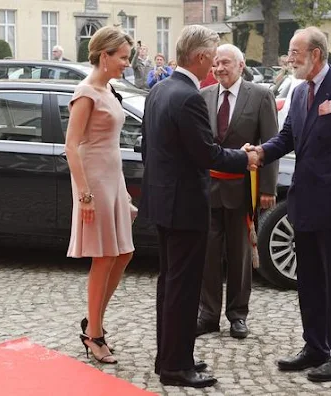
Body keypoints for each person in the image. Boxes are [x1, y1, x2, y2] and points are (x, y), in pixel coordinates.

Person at [139, 25, 258, 388]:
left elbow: (148, 148)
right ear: (202, 57)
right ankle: (176, 367)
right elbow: (207, 153)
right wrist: (246, 157)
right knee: (183, 287)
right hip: (185, 205)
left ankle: (170, 356)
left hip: (162, 201)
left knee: (169, 284)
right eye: (213, 54)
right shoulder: (189, 96)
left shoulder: (159, 89)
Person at [252, 27, 331, 382]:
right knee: (309, 280)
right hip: (303, 205)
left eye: (295, 52)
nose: (290, 59)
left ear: (316, 54)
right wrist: (260, 152)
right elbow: (288, 137)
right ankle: (315, 346)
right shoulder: (299, 90)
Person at [197, 44, 279, 339]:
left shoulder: (260, 96)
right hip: (208, 190)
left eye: (226, 63)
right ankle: (207, 315)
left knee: (240, 255)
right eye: (216, 63)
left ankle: (237, 315)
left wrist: (268, 188)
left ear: (241, 66)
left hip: (242, 189)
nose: (219, 68)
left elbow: (272, 143)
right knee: (207, 254)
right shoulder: (203, 96)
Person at [64, 26, 136, 365]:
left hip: (113, 180)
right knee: (104, 257)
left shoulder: (108, 89)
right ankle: (94, 334)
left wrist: (122, 193)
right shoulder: (86, 91)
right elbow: (71, 145)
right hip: (94, 181)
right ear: (104, 55)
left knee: (123, 254)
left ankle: (94, 322)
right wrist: (85, 195)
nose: (126, 63)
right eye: (122, 57)